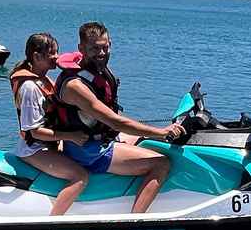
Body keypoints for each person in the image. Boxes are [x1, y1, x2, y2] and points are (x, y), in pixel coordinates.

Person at [50, 21, 183, 214]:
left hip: (101, 139)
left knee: (143, 138)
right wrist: (161, 133)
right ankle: (135, 221)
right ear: (81, 48)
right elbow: (113, 121)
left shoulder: (96, 70)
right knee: (161, 163)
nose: (102, 53)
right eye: (95, 48)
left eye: (105, 47)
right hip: (89, 152)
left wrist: (154, 132)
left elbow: (112, 117)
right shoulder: (75, 86)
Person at [9, 33, 89, 216]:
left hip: (48, 144)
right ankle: (54, 221)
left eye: (57, 52)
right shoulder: (30, 88)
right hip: (33, 149)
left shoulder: (44, 81)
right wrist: (72, 136)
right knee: (80, 176)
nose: (57, 57)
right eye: (52, 53)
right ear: (37, 57)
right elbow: (34, 131)